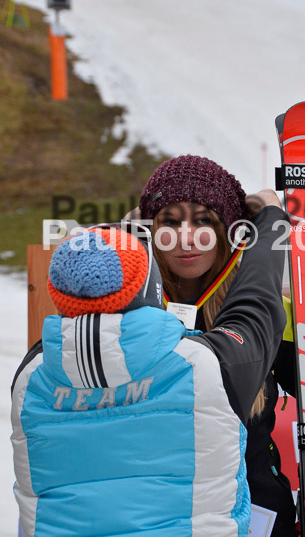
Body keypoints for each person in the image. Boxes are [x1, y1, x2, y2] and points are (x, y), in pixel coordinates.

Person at [11, 195, 287, 535]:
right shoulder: (205, 367)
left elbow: (82, 289)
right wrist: (272, 219)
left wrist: (126, 234)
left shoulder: (30, 377)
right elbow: (257, 301)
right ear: (150, 287)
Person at [137, 154, 305, 537]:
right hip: (152, 514)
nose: (186, 237)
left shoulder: (266, 316)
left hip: (257, 514)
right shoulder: (126, 311)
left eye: (204, 220)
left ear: (232, 230)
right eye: (170, 221)